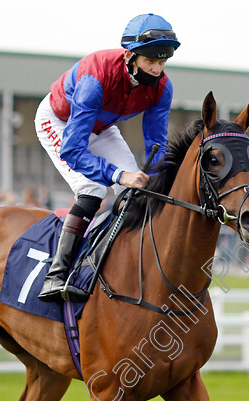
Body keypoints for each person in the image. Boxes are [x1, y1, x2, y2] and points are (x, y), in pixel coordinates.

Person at [35, 13, 179, 302]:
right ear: (129, 55)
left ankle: (122, 266)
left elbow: (156, 147)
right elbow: (73, 150)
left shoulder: (162, 88)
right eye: (150, 61)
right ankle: (56, 275)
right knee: (93, 188)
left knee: (135, 192)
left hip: (102, 128)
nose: (156, 70)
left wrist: (162, 181)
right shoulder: (95, 78)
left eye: (162, 62)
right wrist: (118, 174)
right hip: (60, 122)